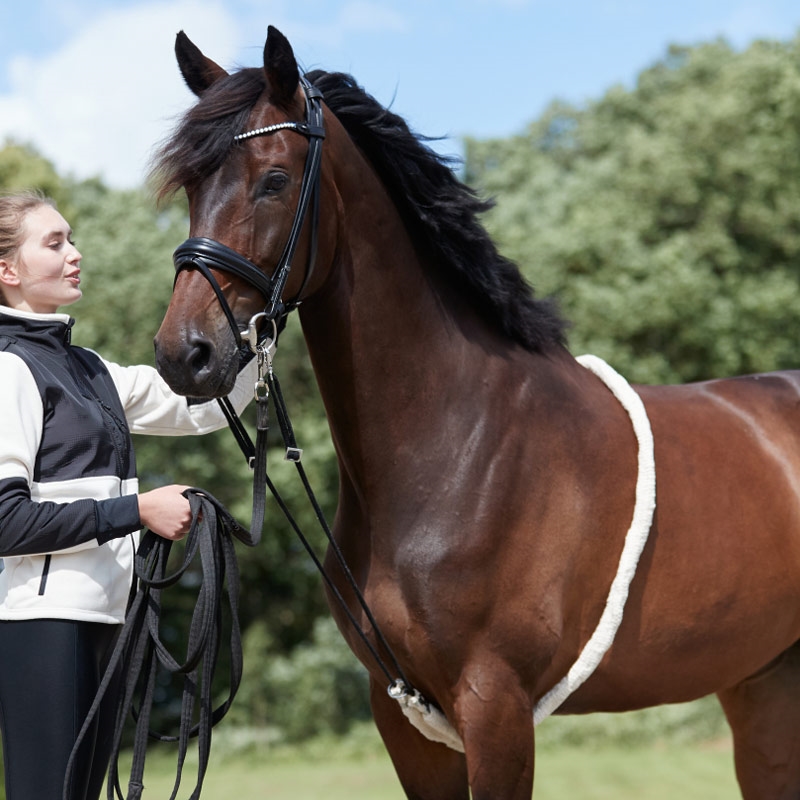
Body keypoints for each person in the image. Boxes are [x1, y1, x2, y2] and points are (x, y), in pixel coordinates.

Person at [0, 191, 257, 800]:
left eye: (72, 239)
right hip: (41, 623)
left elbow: (199, 408)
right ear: (7, 271)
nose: (75, 255)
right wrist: (137, 511)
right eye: (54, 243)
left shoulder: (91, 369)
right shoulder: (8, 370)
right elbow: (6, 522)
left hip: (105, 615)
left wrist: (259, 333)